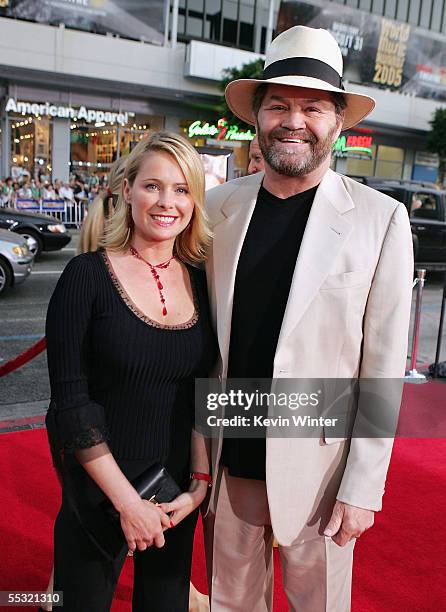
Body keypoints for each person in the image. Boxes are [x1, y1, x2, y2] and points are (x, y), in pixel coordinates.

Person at [203, 25, 413, 611]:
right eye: (279, 105)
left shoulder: (381, 220)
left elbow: (382, 370)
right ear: (258, 117)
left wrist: (364, 487)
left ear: (338, 122)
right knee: (231, 603)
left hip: (321, 467)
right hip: (229, 452)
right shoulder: (217, 207)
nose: (294, 121)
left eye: (313, 107)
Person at [45, 131, 217, 611]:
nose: (167, 202)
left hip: (173, 497)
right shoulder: (87, 277)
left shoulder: (204, 281)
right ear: (128, 191)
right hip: (99, 495)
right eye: (153, 186)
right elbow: (71, 406)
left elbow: (201, 390)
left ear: (195, 200)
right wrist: (127, 505)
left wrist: (198, 485)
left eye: (182, 189)